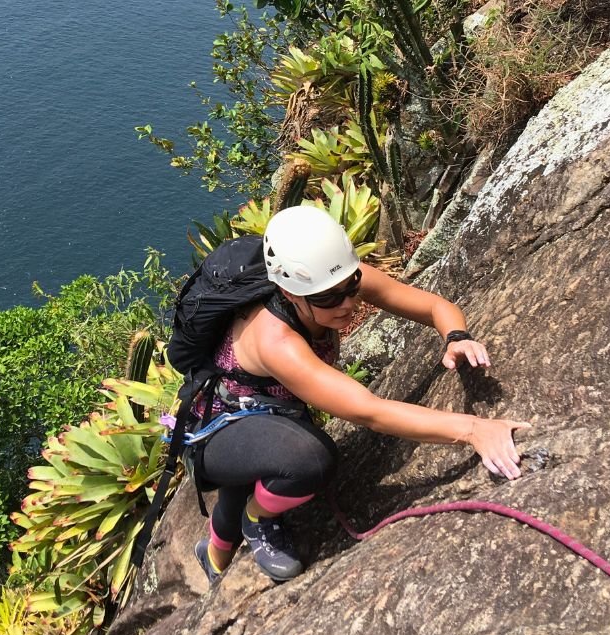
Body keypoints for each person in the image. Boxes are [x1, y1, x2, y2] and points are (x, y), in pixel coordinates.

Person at [190, 205, 530, 586]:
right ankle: (251, 526)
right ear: (290, 292)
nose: (348, 304)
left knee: (265, 470)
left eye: (351, 288)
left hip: (274, 409)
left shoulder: (333, 280)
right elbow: (368, 411)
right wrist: (472, 430)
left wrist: (456, 337)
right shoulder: (275, 341)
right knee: (307, 463)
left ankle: (231, 536)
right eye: (330, 299)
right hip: (223, 425)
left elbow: (435, 306)